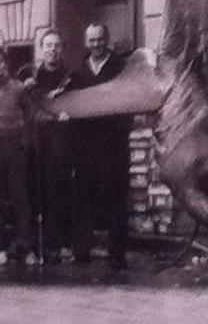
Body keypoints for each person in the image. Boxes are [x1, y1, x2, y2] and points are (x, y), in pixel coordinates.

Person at [68, 23, 132, 270]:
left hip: (113, 147)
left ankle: (116, 252)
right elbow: (68, 104)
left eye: (101, 39)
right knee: (83, 198)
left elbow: (129, 102)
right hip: (85, 148)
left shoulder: (120, 69)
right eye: (92, 40)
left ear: (108, 39)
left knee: (115, 198)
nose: (97, 44)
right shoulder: (78, 73)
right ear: (87, 43)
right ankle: (81, 250)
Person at [24, 30, 73, 264]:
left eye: (56, 45)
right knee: (36, 193)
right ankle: (36, 246)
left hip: (61, 143)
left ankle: (59, 244)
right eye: (47, 45)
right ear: (41, 49)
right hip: (36, 142)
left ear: (61, 49)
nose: (52, 50)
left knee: (59, 193)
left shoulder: (70, 77)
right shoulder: (31, 77)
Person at [0, 48, 36, 265]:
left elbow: (30, 116)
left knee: (20, 197)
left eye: (1, 62)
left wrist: (25, 142)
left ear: (6, 64)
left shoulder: (18, 88)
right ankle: (1, 248)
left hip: (15, 148)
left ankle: (26, 247)